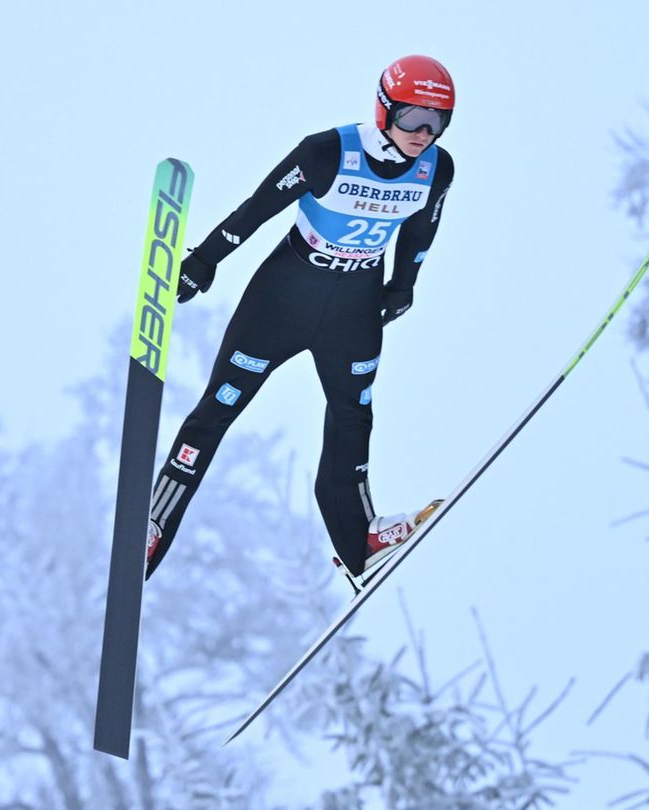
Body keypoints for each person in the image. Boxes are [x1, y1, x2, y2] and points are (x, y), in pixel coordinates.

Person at [143, 55, 455, 593]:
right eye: (412, 119)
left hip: (355, 304)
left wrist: (404, 286)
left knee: (353, 416)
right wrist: (203, 260)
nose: (423, 134)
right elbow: (256, 209)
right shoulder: (326, 152)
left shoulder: (437, 168)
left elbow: (422, 231)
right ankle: (153, 526)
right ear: (385, 111)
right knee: (217, 409)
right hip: (285, 296)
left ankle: (359, 540)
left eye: (437, 121)